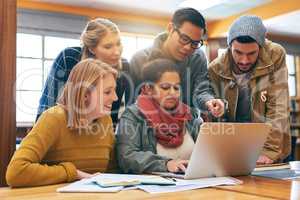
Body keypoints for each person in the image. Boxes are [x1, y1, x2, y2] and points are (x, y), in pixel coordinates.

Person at [6, 59, 118, 187]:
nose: (115, 97)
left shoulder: (105, 121)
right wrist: (73, 173)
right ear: (85, 94)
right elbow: (16, 172)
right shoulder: (53, 118)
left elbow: (112, 171)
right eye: (107, 92)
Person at [208, 15, 291, 164]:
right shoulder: (215, 68)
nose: (244, 60)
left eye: (251, 53)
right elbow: (216, 117)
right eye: (238, 53)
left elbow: (278, 106)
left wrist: (269, 152)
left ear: (261, 46)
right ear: (229, 47)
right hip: (234, 147)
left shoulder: (275, 55)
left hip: (270, 145)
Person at [129, 7, 224, 118]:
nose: (188, 47)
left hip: (187, 127)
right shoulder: (140, 59)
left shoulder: (198, 58)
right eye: (184, 38)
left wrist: (209, 101)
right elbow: (134, 107)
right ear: (170, 29)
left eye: (195, 43)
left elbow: (201, 90)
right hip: (149, 128)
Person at [36, 18, 133, 125]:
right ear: (91, 49)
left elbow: (115, 113)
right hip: (63, 128)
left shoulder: (124, 67)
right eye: (108, 46)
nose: (117, 52)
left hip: (99, 132)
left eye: (118, 43)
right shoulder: (68, 58)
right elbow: (47, 104)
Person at [116, 59, 202, 174]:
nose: (172, 93)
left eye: (176, 88)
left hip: (195, 185)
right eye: (165, 87)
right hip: (152, 189)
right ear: (148, 89)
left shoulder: (190, 115)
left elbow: (207, 153)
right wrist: (166, 164)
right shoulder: (133, 115)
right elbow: (127, 157)